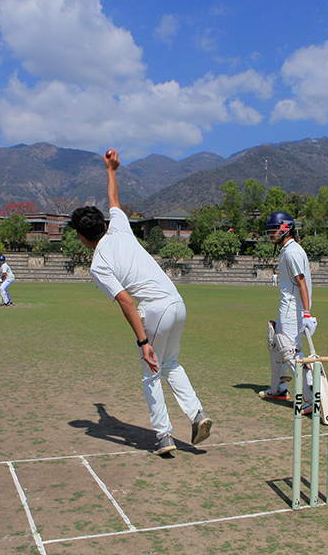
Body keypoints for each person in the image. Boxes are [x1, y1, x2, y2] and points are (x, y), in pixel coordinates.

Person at [69, 149, 212, 456]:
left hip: (156, 311)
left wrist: (143, 340)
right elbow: (114, 201)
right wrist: (111, 170)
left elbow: (126, 303)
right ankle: (197, 415)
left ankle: (163, 437)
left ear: (81, 237)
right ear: (103, 223)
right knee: (170, 363)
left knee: (151, 373)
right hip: (177, 302)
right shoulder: (119, 225)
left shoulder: (98, 264)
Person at [260, 211, 317, 414]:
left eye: (274, 229)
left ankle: (311, 398)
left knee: (291, 351)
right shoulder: (287, 249)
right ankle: (279, 387)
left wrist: (307, 313)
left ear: (286, 228)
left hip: (293, 309)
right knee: (275, 342)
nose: (271, 233)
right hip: (287, 305)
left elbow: (301, 283)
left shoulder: (292, 252)